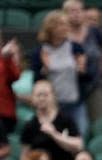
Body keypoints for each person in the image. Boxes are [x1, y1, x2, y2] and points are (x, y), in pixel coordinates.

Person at [30, 10, 89, 138]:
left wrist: (82, 69)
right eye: (61, 24)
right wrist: (44, 69)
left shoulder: (76, 48)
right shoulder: (39, 52)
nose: (66, 27)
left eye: (66, 24)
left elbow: (85, 77)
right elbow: (37, 81)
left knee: (80, 136)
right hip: (52, 106)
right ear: (51, 28)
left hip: (75, 103)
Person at [20, 79, 83, 160]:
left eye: (45, 94)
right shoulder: (30, 125)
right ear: (33, 98)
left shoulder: (65, 119)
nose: (42, 98)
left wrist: (54, 134)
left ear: (53, 96)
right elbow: (25, 156)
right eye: (38, 95)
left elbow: (78, 145)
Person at [63, 0, 102, 125]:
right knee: (75, 125)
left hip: (94, 85)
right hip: (70, 87)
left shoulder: (94, 32)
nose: (76, 14)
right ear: (65, 14)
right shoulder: (62, 35)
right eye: (72, 11)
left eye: (80, 10)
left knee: (98, 122)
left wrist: (100, 69)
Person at [0, 25, 22, 134]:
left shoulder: (5, 60)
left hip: (3, 114)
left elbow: (16, 76)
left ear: (0, 41)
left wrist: (6, 59)